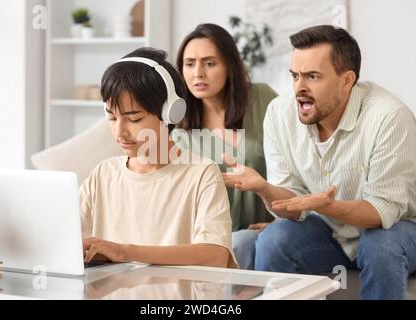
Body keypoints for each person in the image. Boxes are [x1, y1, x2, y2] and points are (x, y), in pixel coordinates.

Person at [222, 25, 416, 299]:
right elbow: (294, 203)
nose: (299, 88)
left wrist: (329, 206)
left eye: (312, 76)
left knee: (380, 246)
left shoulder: (389, 117)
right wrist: (264, 188)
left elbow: (382, 211)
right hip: (329, 230)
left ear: (347, 80)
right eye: (295, 76)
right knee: (274, 240)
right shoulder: (279, 114)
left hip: (400, 229)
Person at [80, 47, 237, 269]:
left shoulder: (201, 173)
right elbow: (63, 236)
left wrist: (124, 251)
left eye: (133, 119)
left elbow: (215, 254)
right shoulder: (103, 174)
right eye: (112, 117)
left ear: (169, 113)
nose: (119, 132)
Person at [174, 23, 277, 269]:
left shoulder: (263, 100)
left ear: (230, 66)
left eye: (209, 63)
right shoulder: (178, 130)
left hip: (265, 231)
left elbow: (299, 165)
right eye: (189, 64)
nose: (198, 73)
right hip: (210, 240)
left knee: (241, 242)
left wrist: (282, 222)